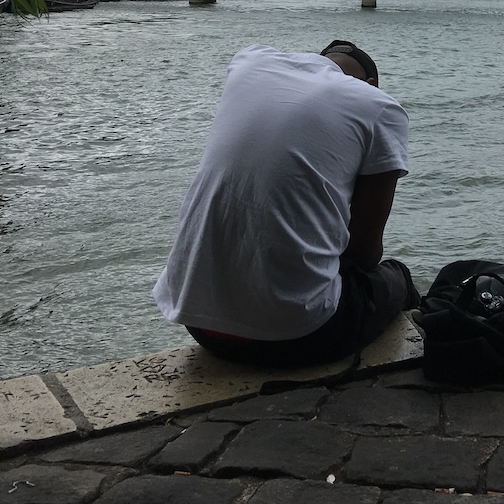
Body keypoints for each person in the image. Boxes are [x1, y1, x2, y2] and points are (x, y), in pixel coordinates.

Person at [153, 39, 417, 366]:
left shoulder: (249, 62)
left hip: (198, 322)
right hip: (299, 337)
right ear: (371, 84)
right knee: (398, 278)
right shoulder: (379, 106)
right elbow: (364, 254)